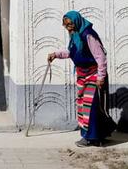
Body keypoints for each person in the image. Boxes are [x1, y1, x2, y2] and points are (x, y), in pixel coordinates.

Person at [48, 11, 111, 147]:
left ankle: (90, 137)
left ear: (76, 21)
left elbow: (100, 57)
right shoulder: (75, 35)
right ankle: (97, 136)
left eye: (70, 24)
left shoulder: (88, 35)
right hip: (82, 75)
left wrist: (101, 77)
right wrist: (56, 54)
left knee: (91, 107)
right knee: (83, 106)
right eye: (66, 26)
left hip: (93, 75)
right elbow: (71, 52)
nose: (68, 28)